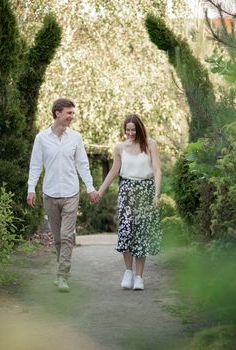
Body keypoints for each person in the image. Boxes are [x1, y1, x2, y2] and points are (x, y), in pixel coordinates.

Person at [27, 97, 100, 293]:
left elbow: (82, 164)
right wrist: (31, 188)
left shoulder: (75, 138)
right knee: (58, 238)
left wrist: (90, 187)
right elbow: (35, 165)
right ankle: (61, 270)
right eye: (69, 113)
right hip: (50, 194)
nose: (71, 117)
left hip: (71, 193)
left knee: (67, 236)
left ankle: (62, 276)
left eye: (72, 113)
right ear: (57, 113)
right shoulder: (41, 138)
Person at [97, 114, 162, 291]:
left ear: (139, 129)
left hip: (146, 192)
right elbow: (113, 172)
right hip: (127, 191)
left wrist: (157, 194)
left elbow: (156, 170)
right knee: (126, 231)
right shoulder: (119, 148)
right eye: (128, 130)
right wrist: (100, 191)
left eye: (133, 130)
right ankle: (128, 272)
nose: (131, 133)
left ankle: (139, 277)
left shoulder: (150, 145)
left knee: (141, 234)